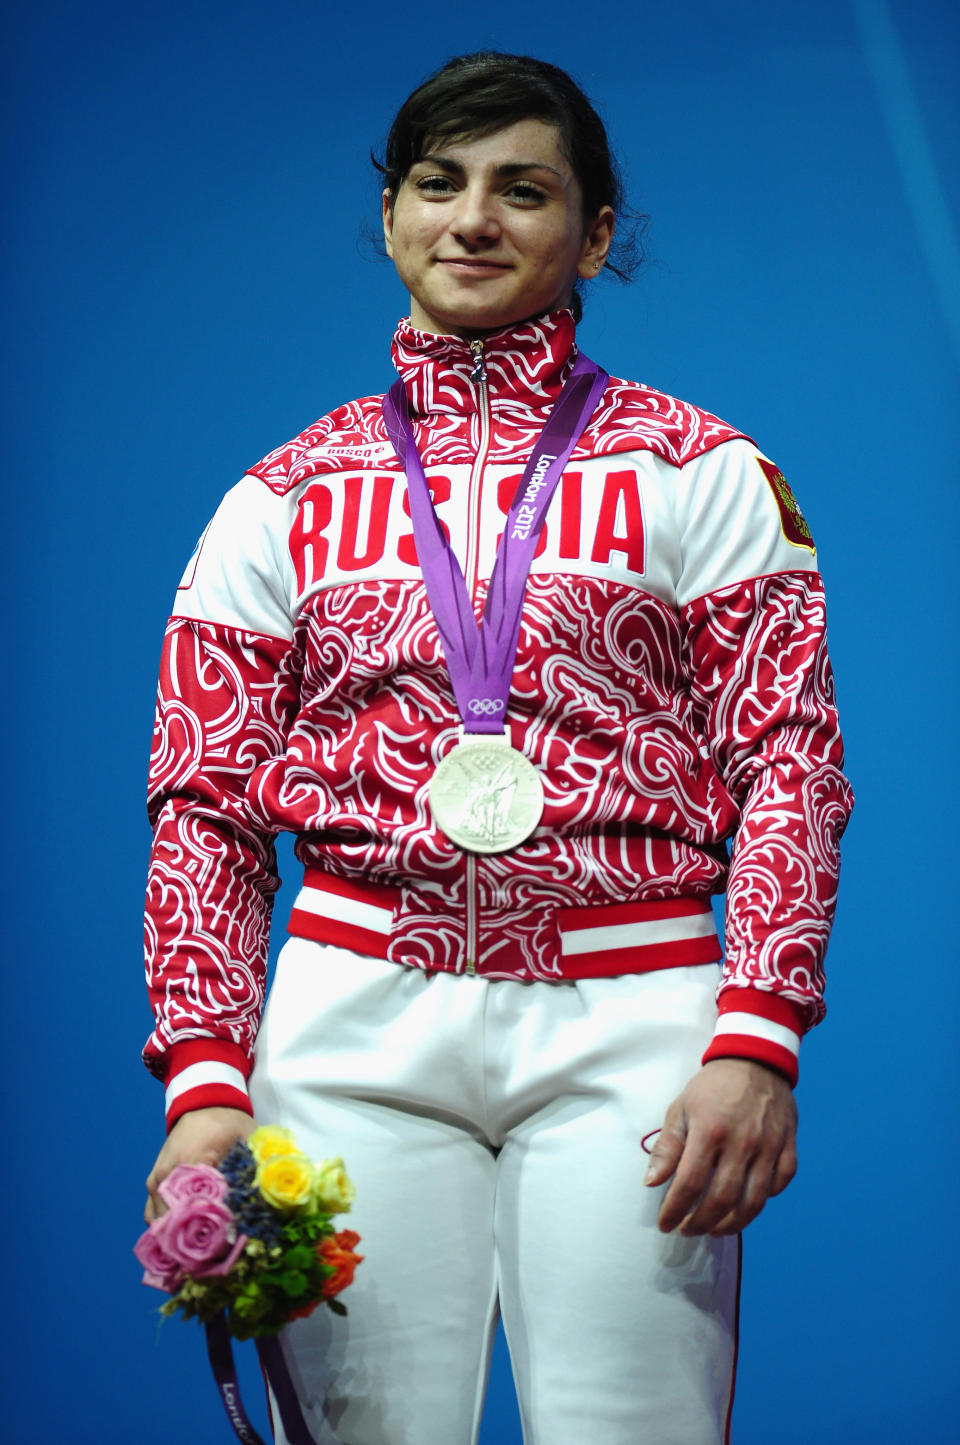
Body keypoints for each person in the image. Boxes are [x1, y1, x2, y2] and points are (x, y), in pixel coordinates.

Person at [142, 52, 852, 1445]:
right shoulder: (274, 500)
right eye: (438, 183)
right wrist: (204, 1083)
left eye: (522, 189)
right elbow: (204, 805)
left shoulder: (703, 471)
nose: (474, 218)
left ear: (591, 233)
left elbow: (790, 758)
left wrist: (759, 1031)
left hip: (634, 1020)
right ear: (393, 214)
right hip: (348, 1025)